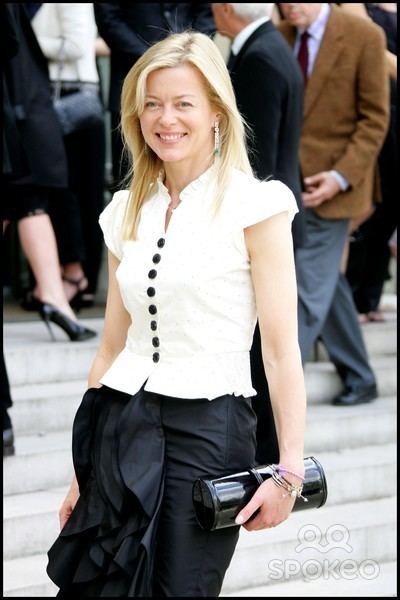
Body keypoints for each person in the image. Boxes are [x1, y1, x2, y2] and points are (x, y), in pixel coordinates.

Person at [46, 31, 307, 597]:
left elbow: (282, 350)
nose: (166, 119)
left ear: (216, 110)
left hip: (211, 431)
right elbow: (112, 347)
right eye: (152, 103)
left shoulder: (257, 205)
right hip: (121, 423)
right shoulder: (123, 212)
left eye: (183, 103)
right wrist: (81, 473)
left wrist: (288, 471)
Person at [278, 3, 389, 406]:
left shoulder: (364, 35)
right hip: (288, 184)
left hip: (338, 187)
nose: (287, 8)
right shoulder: (282, 32)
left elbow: (374, 119)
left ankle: (278, 401)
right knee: (327, 283)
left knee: (306, 291)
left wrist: (341, 176)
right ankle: (360, 376)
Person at [212, 2, 305, 465]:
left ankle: (266, 456)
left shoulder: (261, 58)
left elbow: (258, 154)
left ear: (226, 9)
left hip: (262, 225)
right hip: (270, 220)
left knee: (265, 350)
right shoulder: (270, 48)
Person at [2, 3, 96, 343]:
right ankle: (55, 298)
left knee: (29, 200)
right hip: (21, 106)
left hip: (22, 105)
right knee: (27, 200)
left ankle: (55, 296)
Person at [31, 3, 106, 308]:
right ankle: (64, 278)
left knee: (71, 193)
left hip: (74, 100)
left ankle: (77, 277)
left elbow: (77, 44)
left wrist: (27, 43)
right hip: (54, 96)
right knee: (62, 193)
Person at [94, 3, 216, 190]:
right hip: (132, 76)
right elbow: (109, 19)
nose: (167, 119)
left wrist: (187, 52)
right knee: (129, 178)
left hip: (191, 70)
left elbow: (206, 13)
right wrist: (154, 59)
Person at [342, 3, 397, 323]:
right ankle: (355, 298)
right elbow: (368, 40)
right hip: (377, 104)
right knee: (374, 200)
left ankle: (370, 296)